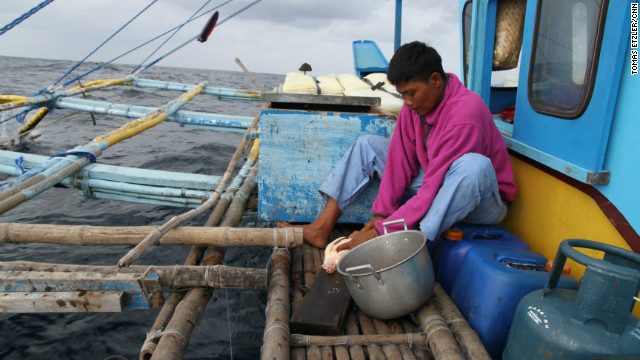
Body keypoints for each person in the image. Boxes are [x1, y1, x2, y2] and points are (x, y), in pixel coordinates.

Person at [278, 41, 517, 250]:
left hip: (482, 200)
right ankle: (320, 228)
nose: (408, 102)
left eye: (411, 93)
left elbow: (433, 187)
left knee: (473, 166)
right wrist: (382, 213)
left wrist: (381, 231)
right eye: (403, 95)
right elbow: (398, 160)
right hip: (438, 179)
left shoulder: (465, 113)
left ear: (435, 79)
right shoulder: (415, 106)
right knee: (367, 145)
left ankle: (407, 246)